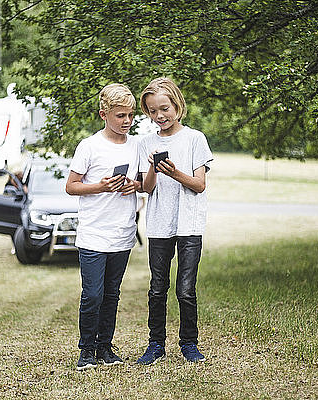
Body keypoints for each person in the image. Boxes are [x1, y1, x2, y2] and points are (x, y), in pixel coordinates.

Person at [136, 77, 213, 365]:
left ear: (177, 105)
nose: (160, 116)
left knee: (185, 288)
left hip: (189, 224)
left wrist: (173, 172)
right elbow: (146, 187)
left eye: (164, 109)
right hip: (159, 224)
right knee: (158, 287)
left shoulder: (195, 139)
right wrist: (154, 169)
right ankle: (155, 344)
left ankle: (189, 343)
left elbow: (199, 184)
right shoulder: (146, 143)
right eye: (153, 112)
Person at [65, 83, 141, 371]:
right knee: (93, 294)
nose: (127, 121)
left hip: (123, 234)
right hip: (94, 234)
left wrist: (135, 185)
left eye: (131, 115)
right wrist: (100, 186)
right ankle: (86, 351)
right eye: (121, 115)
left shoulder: (136, 145)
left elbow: (145, 184)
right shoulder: (89, 146)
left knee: (112, 294)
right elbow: (71, 186)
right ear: (103, 114)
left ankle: (105, 347)